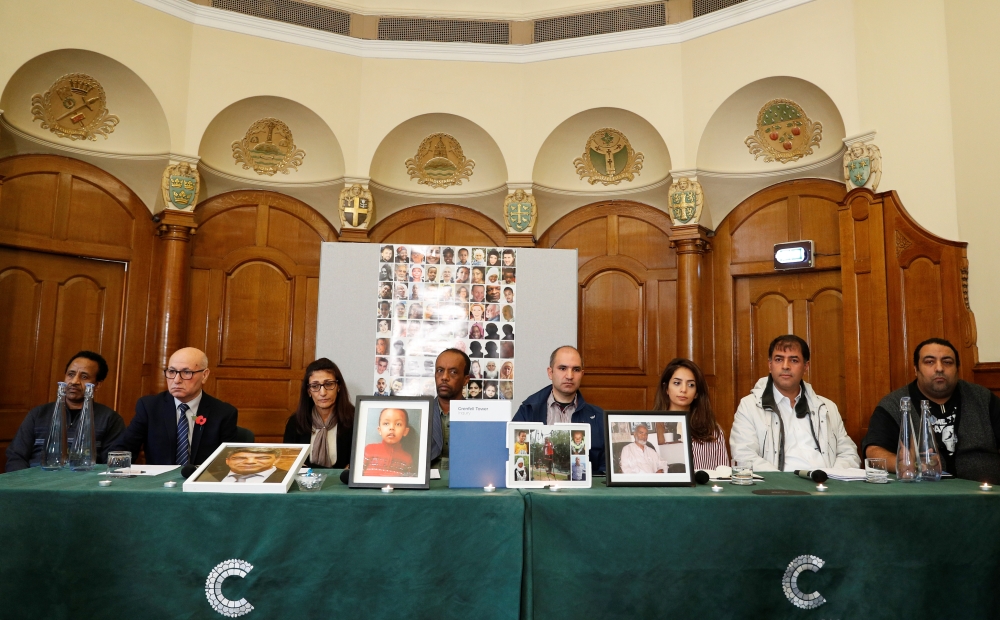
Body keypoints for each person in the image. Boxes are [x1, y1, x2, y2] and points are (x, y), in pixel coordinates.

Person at [861, 338, 1000, 481]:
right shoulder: (894, 403)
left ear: (957, 368)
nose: (939, 368)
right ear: (916, 369)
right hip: (923, 492)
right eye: (929, 362)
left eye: (947, 362)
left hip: (985, 492)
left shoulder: (983, 398)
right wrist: (908, 464)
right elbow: (874, 451)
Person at [730, 335, 860, 472]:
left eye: (794, 360)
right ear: (770, 365)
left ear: (806, 367)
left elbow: (849, 454)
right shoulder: (750, 406)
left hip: (826, 486)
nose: (785, 366)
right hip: (777, 489)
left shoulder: (827, 408)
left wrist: (832, 477)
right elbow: (744, 456)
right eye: (779, 359)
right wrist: (783, 483)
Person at [112, 347, 238, 466]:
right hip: (159, 485)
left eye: (186, 372)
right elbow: (124, 449)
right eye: (171, 372)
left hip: (201, 484)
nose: (176, 380)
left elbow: (229, 461)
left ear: (204, 375)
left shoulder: (223, 413)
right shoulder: (150, 407)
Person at [5, 351, 126, 472]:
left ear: (97, 385)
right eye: (71, 374)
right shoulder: (38, 414)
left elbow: (112, 466)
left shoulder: (110, 419)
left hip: (83, 484)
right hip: (36, 483)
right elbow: (16, 457)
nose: (74, 382)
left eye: (84, 377)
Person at [513, 346, 606, 473]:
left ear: (582, 374)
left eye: (576, 369)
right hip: (539, 490)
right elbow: (514, 456)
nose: (569, 375)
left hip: (585, 490)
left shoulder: (598, 417)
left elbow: (606, 468)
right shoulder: (529, 410)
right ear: (550, 373)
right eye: (562, 368)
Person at [653, 358, 730, 470]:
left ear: (697, 393)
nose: (683, 389)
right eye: (677, 383)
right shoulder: (653, 424)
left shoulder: (712, 430)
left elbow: (723, 475)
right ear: (666, 389)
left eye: (691, 385)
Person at [282, 358, 353, 468]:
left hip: (342, 483)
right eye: (315, 386)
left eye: (328, 384)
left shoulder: (355, 420)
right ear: (309, 391)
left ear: (338, 387)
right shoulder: (296, 422)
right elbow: (289, 462)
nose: (323, 393)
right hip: (305, 483)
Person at [429, 348, 471, 470]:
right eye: (440, 371)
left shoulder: (478, 416)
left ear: (465, 380)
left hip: (463, 482)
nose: (444, 377)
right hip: (427, 485)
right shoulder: (421, 413)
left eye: (453, 372)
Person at [362, 408, 415, 476]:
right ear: (379, 430)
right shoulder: (369, 450)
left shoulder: (407, 459)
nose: (391, 428)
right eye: (386, 423)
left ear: (405, 431)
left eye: (398, 424)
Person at [198, 446, 288, 483]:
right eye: (240, 458)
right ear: (227, 461)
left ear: (276, 460)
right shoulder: (207, 478)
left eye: (262, 458)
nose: (250, 462)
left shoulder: (290, 480)